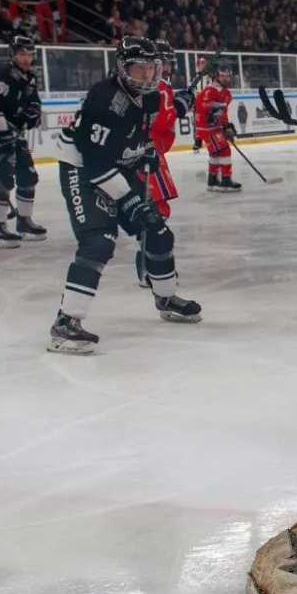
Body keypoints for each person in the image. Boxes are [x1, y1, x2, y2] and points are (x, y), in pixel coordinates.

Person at [47, 36, 202, 355]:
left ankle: (166, 297)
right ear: (122, 68)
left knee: (157, 231)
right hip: (82, 169)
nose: (146, 76)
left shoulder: (151, 97)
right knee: (98, 240)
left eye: (151, 68)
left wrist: (143, 150)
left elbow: (142, 132)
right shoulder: (105, 101)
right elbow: (95, 163)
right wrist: (130, 200)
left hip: (115, 165)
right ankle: (66, 322)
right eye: (138, 69)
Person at [135, 40, 194, 288]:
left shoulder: (159, 85)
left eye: (170, 61)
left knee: (154, 211)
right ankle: (151, 268)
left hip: (148, 151)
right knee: (154, 212)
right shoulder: (156, 86)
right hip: (147, 152)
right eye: (165, 61)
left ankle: (150, 267)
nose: (168, 66)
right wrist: (181, 106)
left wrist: (178, 102)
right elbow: (159, 121)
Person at [0, 35, 47, 247]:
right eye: (22, 54)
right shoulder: (0, 75)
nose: (26, 58)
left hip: (17, 135)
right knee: (3, 179)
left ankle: (24, 222)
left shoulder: (30, 77)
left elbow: (34, 102)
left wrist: (34, 113)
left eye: (29, 54)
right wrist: (5, 130)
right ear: (13, 54)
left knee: (29, 176)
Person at [194, 59, 241, 192]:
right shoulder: (210, 90)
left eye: (227, 76)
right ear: (216, 75)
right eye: (222, 76)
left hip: (214, 128)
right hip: (207, 128)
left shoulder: (226, 94)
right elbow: (201, 106)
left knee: (215, 153)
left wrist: (227, 127)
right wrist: (213, 109)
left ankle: (213, 180)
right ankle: (226, 180)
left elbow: (223, 113)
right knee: (225, 151)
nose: (225, 79)